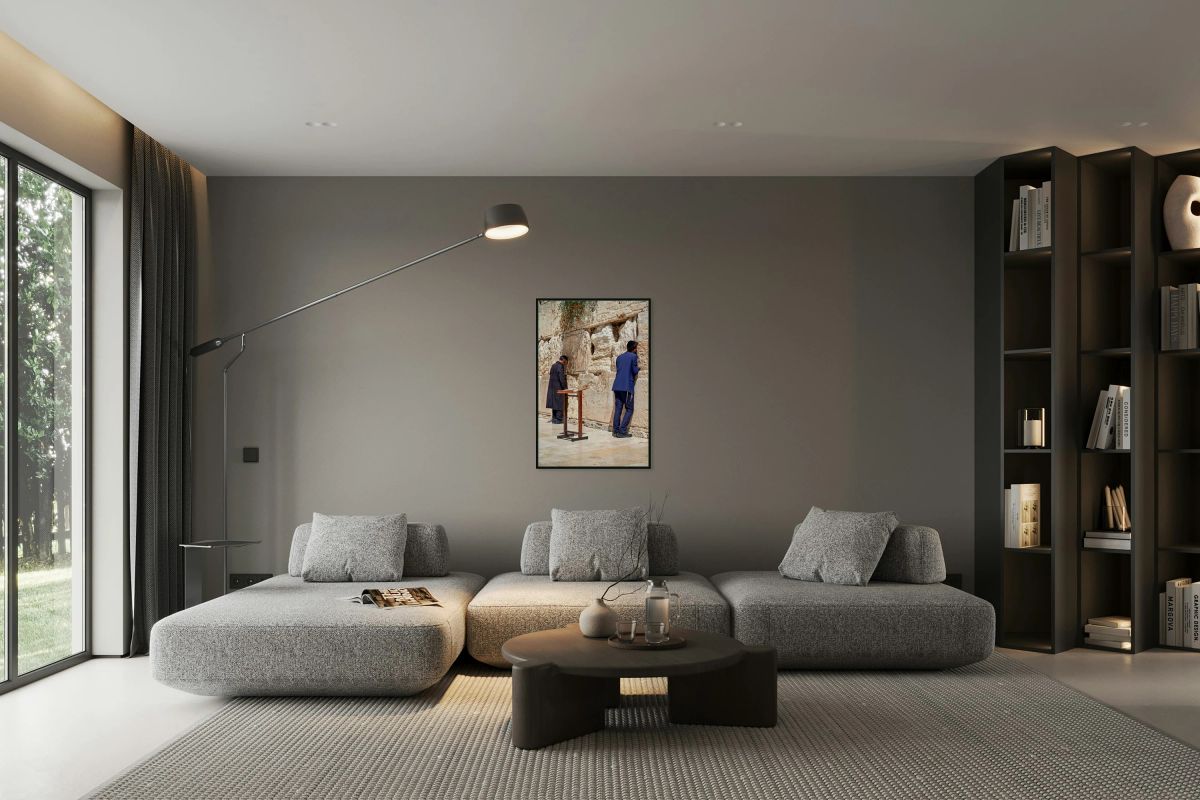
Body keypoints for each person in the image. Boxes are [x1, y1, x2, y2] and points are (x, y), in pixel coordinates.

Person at [611, 341, 639, 437]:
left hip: (617, 386)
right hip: (626, 387)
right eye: (636, 348)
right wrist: (638, 368)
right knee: (629, 409)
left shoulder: (619, 357)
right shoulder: (633, 356)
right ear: (634, 348)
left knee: (618, 408)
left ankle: (615, 430)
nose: (637, 350)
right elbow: (634, 371)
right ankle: (622, 431)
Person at [546, 355, 568, 424]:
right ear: (564, 360)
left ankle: (554, 418)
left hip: (552, 388)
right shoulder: (560, 366)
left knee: (554, 403)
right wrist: (564, 387)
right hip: (558, 388)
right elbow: (561, 378)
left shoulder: (553, 365)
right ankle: (559, 419)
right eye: (566, 362)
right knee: (559, 403)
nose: (565, 364)